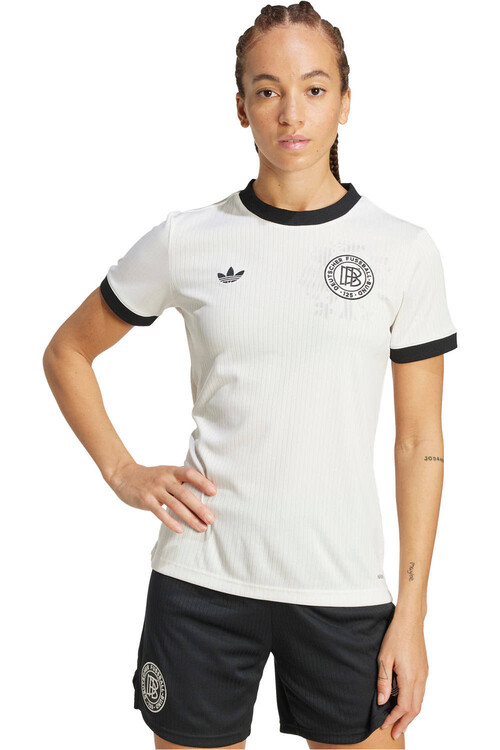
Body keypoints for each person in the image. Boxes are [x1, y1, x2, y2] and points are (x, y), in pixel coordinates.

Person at [43, 3, 458, 749]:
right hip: (202, 583)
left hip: (340, 588)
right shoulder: (188, 240)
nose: (291, 113)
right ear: (241, 107)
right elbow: (67, 352)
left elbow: (419, 443)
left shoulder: (403, 252)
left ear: (346, 101)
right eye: (268, 91)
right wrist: (122, 471)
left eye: (314, 89)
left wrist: (413, 613)